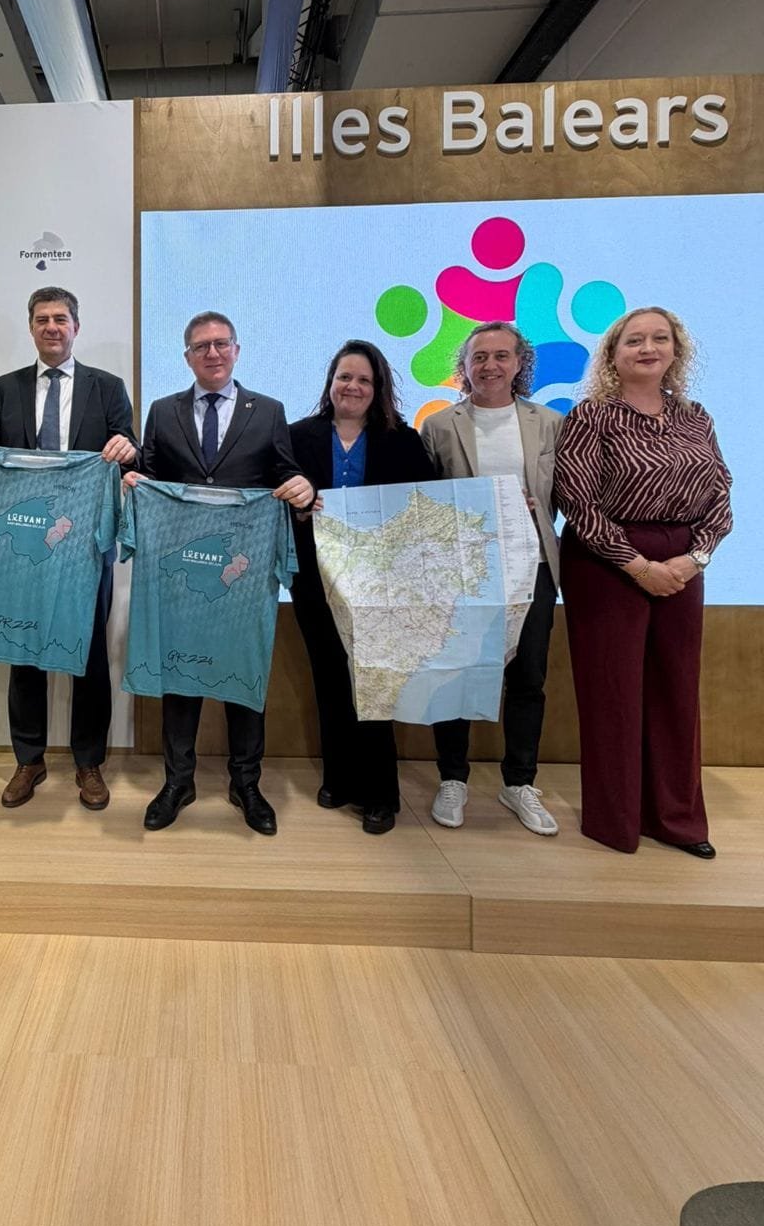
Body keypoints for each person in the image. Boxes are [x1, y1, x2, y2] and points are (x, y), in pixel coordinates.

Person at [0, 286, 137, 811]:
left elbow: (133, 452)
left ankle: (89, 762)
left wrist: (127, 447)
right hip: (25, 545)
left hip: (85, 545)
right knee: (24, 649)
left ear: (76, 326)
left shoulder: (107, 387)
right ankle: (30, 759)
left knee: (88, 653)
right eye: (43, 318)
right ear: (31, 328)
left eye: (61, 318)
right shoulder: (7, 387)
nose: (52, 326)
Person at [127, 312, 316, 835]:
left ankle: (246, 783)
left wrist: (300, 484)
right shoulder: (164, 412)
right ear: (187, 356)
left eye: (220, 344)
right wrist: (135, 479)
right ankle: (177, 781)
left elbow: (283, 471)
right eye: (200, 346)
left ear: (237, 350)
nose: (211, 353)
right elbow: (154, 474)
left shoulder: (269, 410)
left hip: (241, 574)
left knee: (241, 674)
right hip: (185, 575)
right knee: (181, 676)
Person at [554, 306, 731, 857]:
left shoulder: (696, 417)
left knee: (677, 692)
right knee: (613, 695)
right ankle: (616, 822)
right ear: (613, 355)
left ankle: (677, 820)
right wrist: (637, 566)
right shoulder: (590, 417)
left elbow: (721, 495)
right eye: (634, 340)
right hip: (606, 566)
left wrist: (694, 559)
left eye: (660, 339)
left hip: (682, 564)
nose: (647, 348)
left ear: (677, 350)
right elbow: (577, 503)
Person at [420, 321, 562, 836]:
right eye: (480, 357)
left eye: (502, 356)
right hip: (463, 568)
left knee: (528, 677)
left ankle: (519, 782)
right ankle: (452, 777)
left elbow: (563, 499)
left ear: (519, 364)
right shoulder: (439, 426)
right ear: (466, 365)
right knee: (455, 671)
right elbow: (425, 502)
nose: (490, 366)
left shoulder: (549, 423)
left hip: (533, 565)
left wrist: (532, 509)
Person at [289, 340, 436, 834]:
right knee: (330, 676)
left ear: (378, 390)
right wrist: (298, 509)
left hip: (381, 585)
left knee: (374, 683)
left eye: (363, 380)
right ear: (329, 383)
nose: (352, 387)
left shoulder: (404, 442)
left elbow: (425, 513)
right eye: (344, 377)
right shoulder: (296, 438)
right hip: (314, 581)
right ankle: (340, 777)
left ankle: (380, 794)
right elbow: (275, 501)